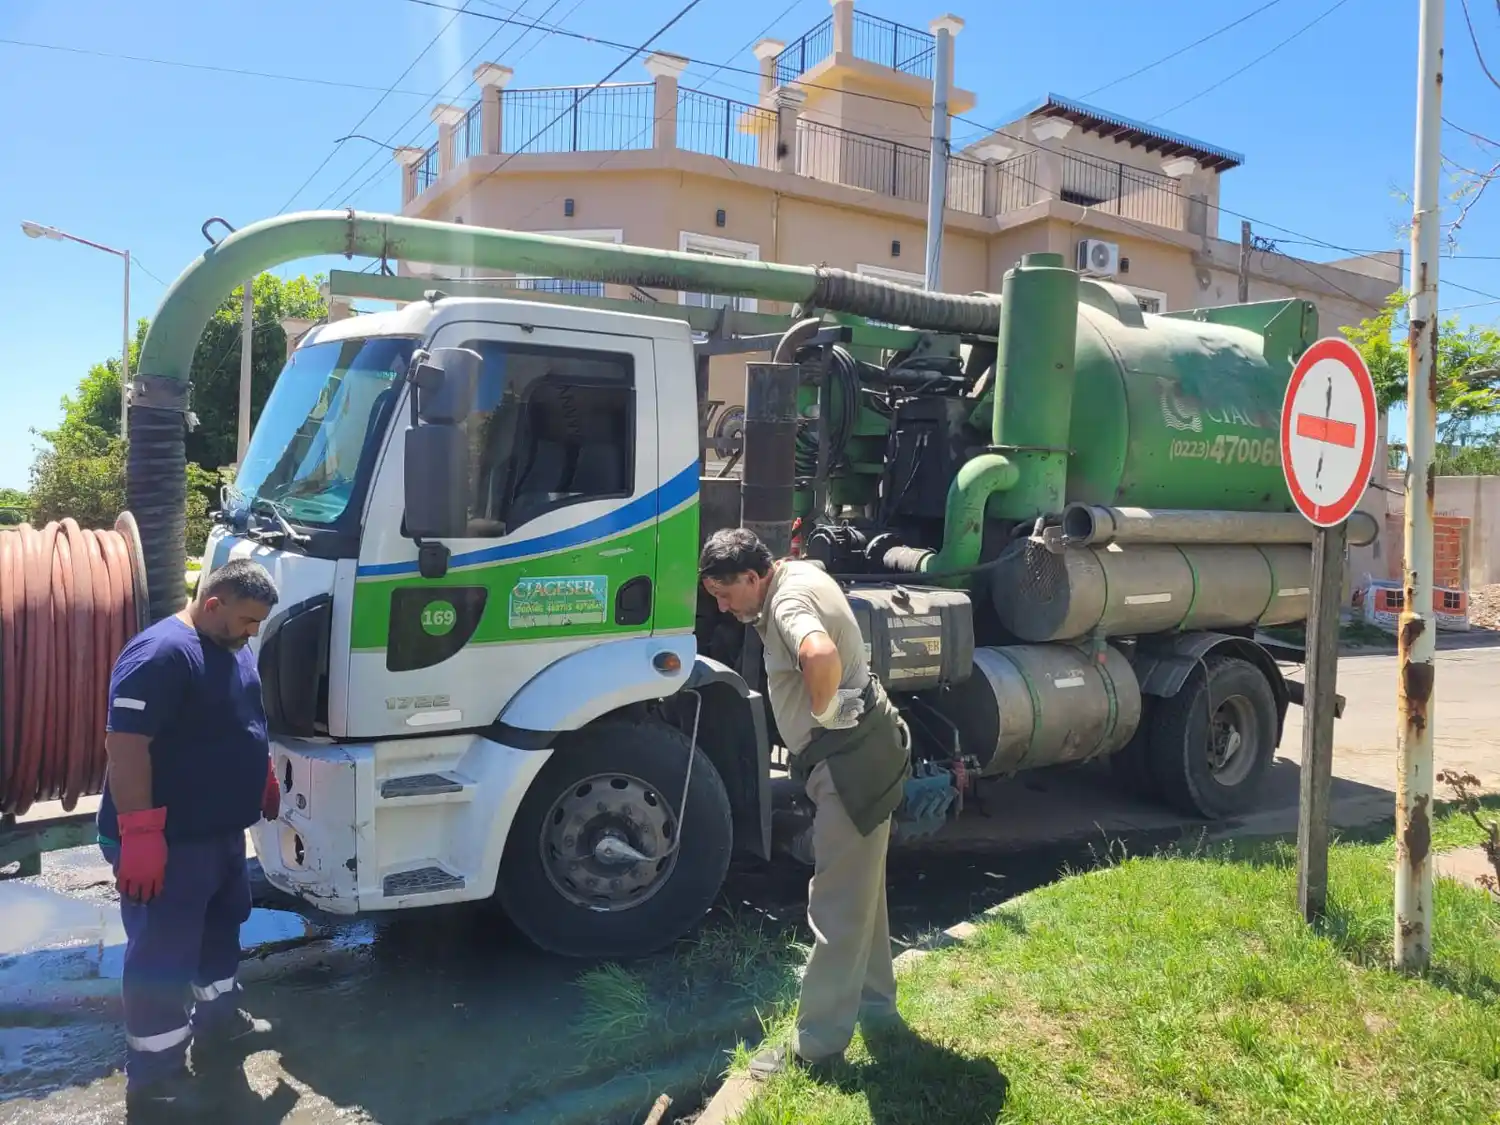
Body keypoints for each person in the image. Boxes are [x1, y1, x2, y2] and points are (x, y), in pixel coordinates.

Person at [699, 528, 911, 1075]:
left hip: (848, 765)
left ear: (753, 576)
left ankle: (816, 1046)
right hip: (867, 750)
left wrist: (820, 717)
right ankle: (876, 1008)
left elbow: (818, 653)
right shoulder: (798, 572)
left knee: (835, 906)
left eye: (725, 594)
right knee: (863, 893)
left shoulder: (788, 600)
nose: (722, 607)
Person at [96, 557, 282, 1117]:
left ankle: (220, 1023)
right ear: (213, 604)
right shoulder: (160, 655)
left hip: (219, 832)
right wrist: (142, 835)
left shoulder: (231, 647)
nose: (253, 633)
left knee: (221, 929)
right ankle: (156, 1075)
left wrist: (264, 774)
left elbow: (245, 718)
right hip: (167, 841)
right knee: (164, 953)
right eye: (247, 620)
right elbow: (126, 748)